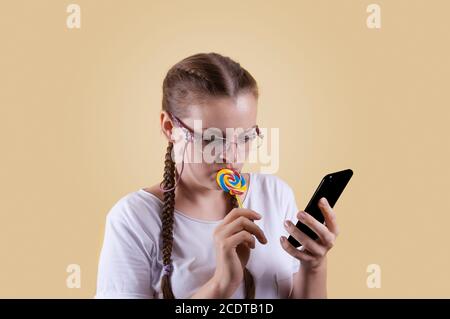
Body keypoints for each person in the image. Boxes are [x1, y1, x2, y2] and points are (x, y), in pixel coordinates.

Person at [95, 52, 339, 299]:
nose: (231, 157)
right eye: (212, 139)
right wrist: (222, 283)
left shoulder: (275, 194)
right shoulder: (134, 218)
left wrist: (314, 265)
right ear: (170, 128)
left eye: (245, 137)